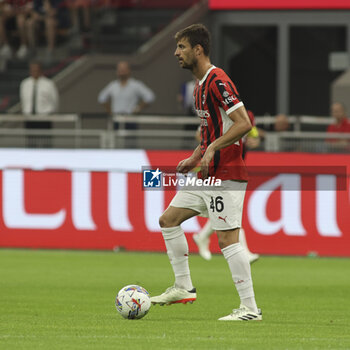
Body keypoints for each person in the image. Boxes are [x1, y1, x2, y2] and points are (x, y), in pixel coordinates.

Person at [150, 24, 261, 321]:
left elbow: (242, 123)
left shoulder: (217, 80)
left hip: (227, 173)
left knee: (227, 240)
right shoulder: (199, 88)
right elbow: (210, 132)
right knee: (168, 220)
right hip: (207, 173)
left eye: (182, 47)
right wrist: (196, 154)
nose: (176, 53)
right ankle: (183, 286)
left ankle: (249, 309)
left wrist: (213, 149)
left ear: (198, 49)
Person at [193, 110, 260, 263]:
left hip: (235, 167)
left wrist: (253, 141)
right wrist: (214, 145)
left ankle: (201, 237)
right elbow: (200, 134)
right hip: (218, 168)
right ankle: (245, 253)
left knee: (224, 211)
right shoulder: (216, 114)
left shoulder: (248, 115)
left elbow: (254, 136)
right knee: (229, 210)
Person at [20, 60, 59, 146]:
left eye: (36, 70)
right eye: (32, 70)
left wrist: (50, 114)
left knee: (46, 144)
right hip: (29, 118)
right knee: (30, 144)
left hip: (44, 118)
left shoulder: (49, 84)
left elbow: (55, 101)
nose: (34, 72)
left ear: (40, 70)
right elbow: (23, 100)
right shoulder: (25, 83)